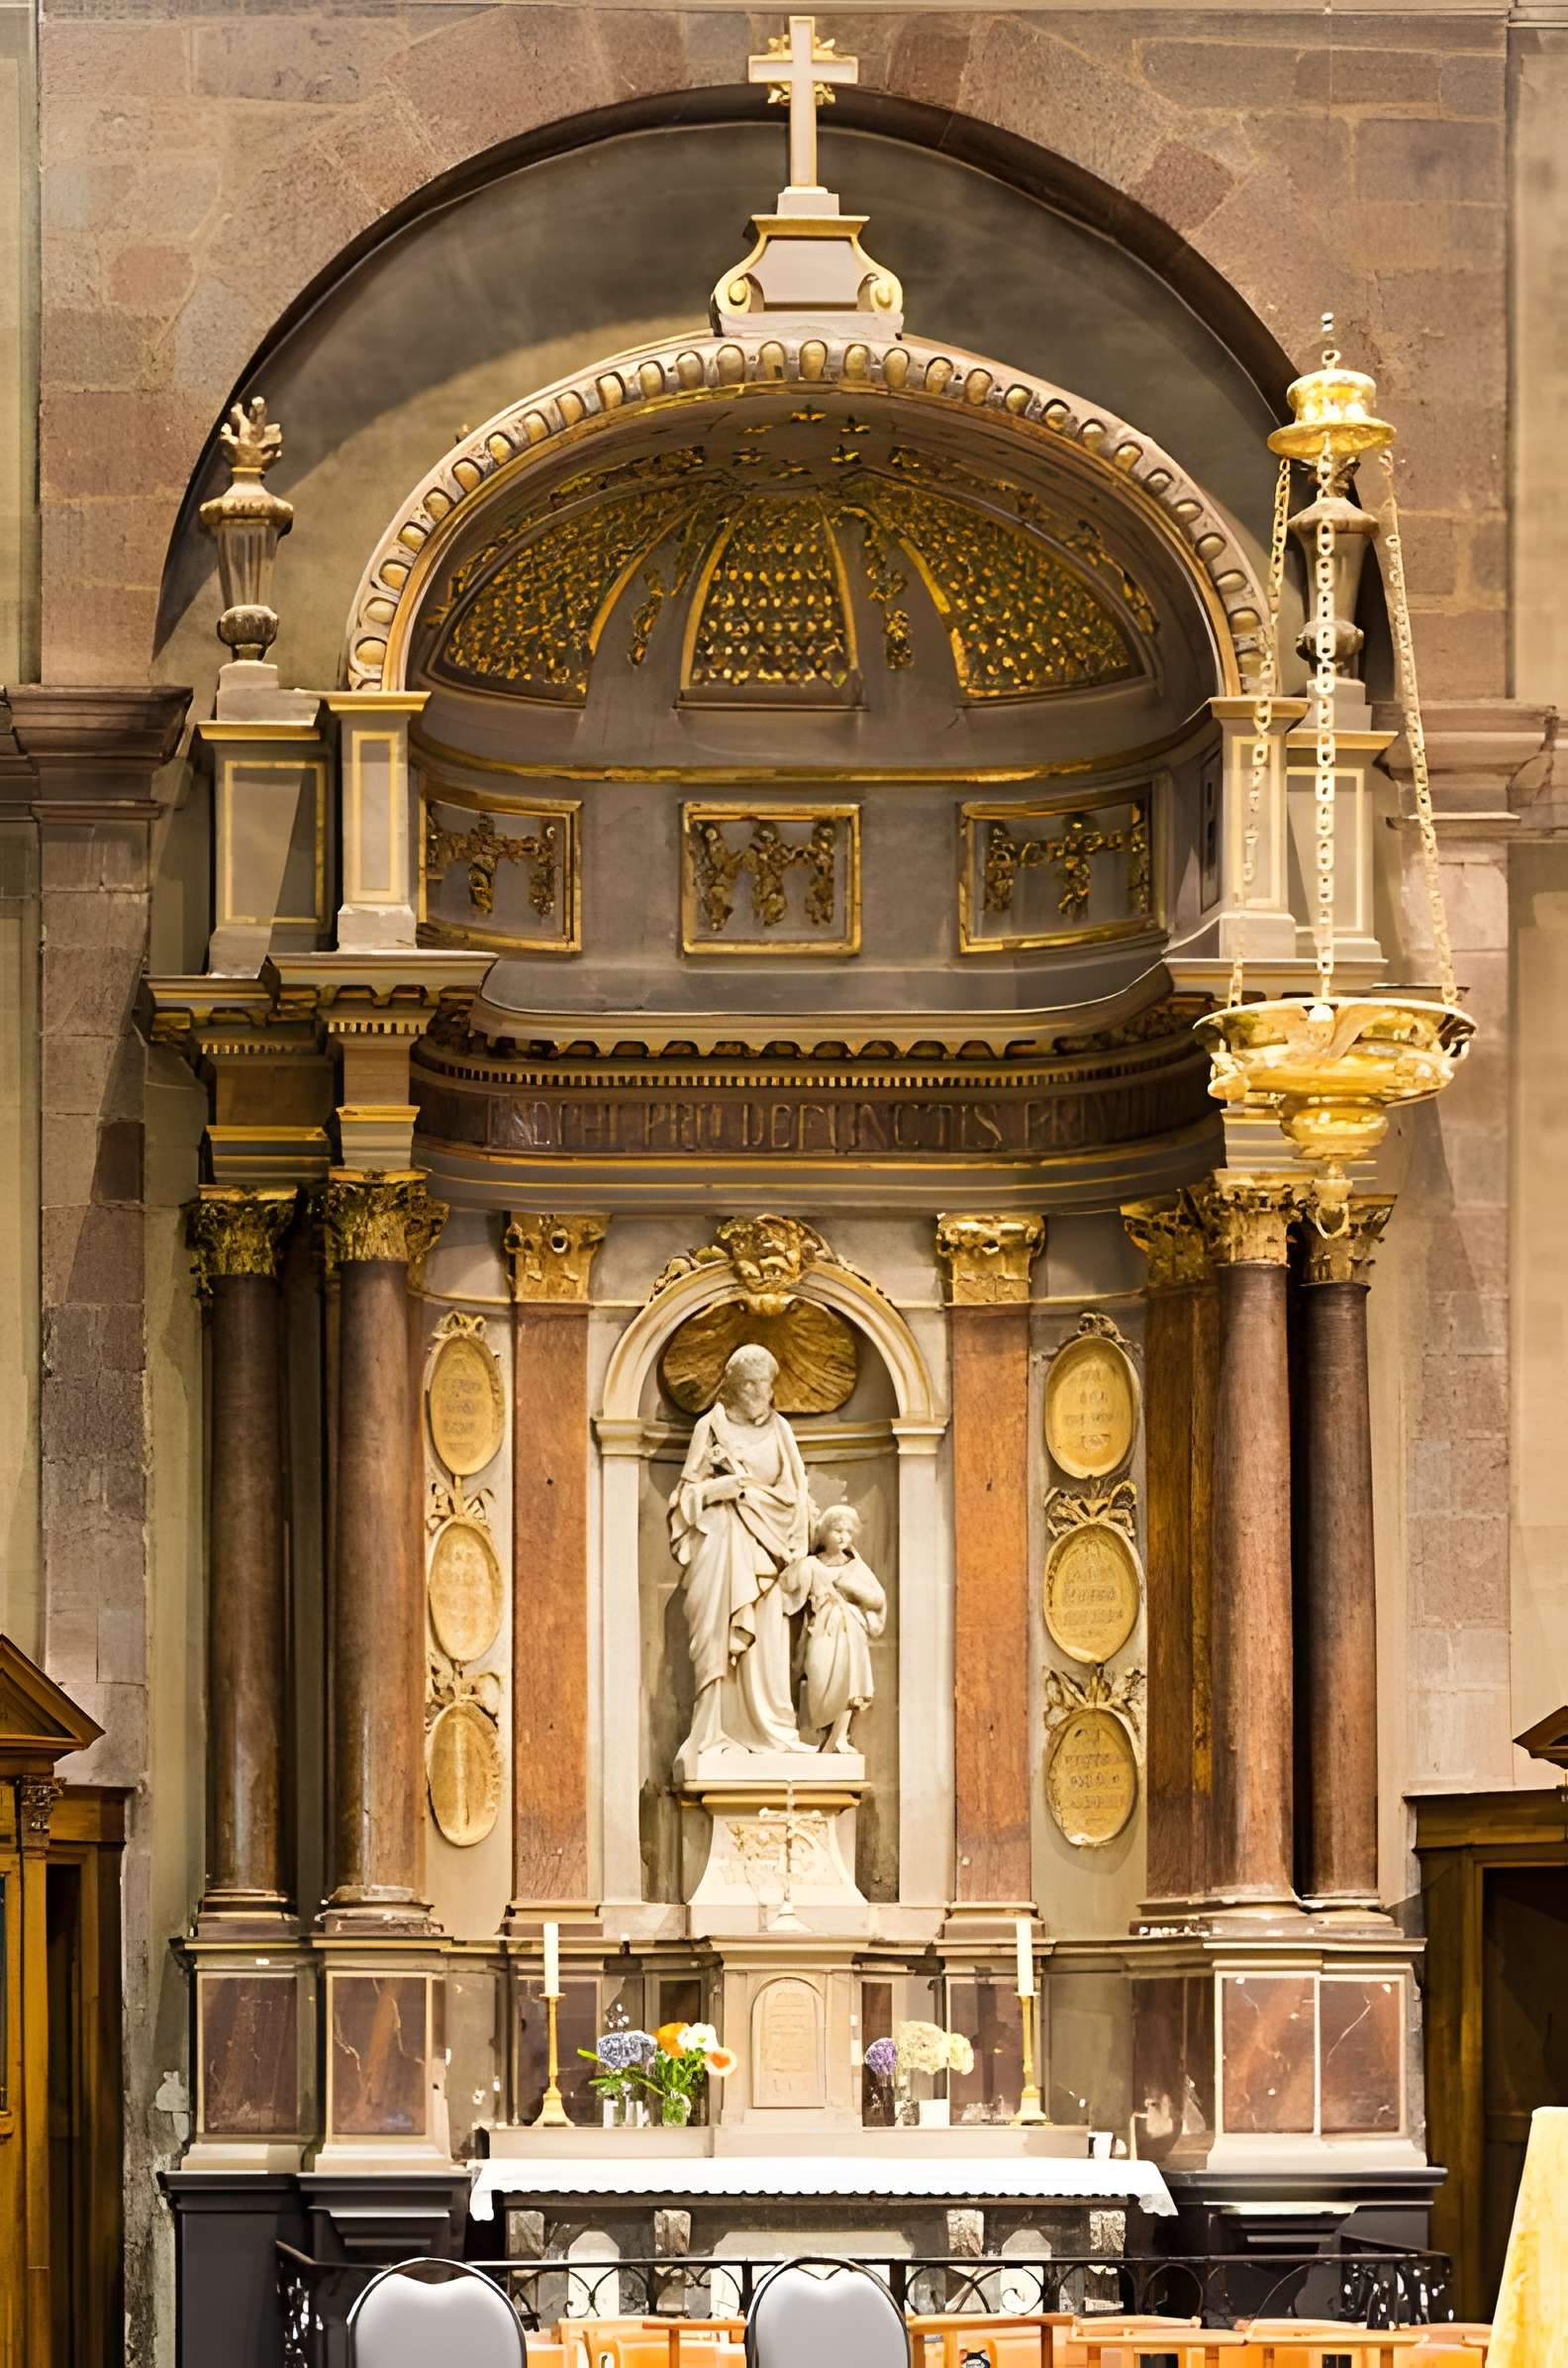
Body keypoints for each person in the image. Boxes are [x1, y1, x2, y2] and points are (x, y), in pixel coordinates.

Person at [668, 1343, 814, 1764]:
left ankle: (771, 1729)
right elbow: (683, 1499)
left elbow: (796, 1496)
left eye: (765, 1384)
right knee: (717, 1637)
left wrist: (793, 1541)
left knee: (765, 1643)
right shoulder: (710, 1428)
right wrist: (721, 1489)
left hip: (768, 1551)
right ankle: (713, 1731)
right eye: (750, 1383)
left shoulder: (781, 1430)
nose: (759, 1392)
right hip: (721, 1546)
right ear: (733, 1387)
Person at [797, 1503, 886, 1752]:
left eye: (848, 1532)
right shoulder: (811, 1565)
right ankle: (822, 1736)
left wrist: (851, 1589)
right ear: (825, 1532)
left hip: (849, 1631)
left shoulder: (854, 1566)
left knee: (849, 1680)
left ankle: (839, 1738)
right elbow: (788, 1594)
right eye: (837, 1530)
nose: (843, 1537)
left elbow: (877, 1598)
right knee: (819, 1675)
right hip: (821, 1630)